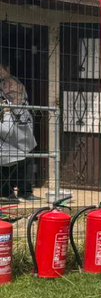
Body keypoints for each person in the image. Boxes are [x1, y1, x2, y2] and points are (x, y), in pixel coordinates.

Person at [0, 63, 35, 202]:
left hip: (20, 127)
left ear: (7, 68)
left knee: (26, 157)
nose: (9, 89)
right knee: (4, 158)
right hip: (5, 129)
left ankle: (25, 191)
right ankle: (5, 192)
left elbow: (17, 104)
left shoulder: (16, 83)